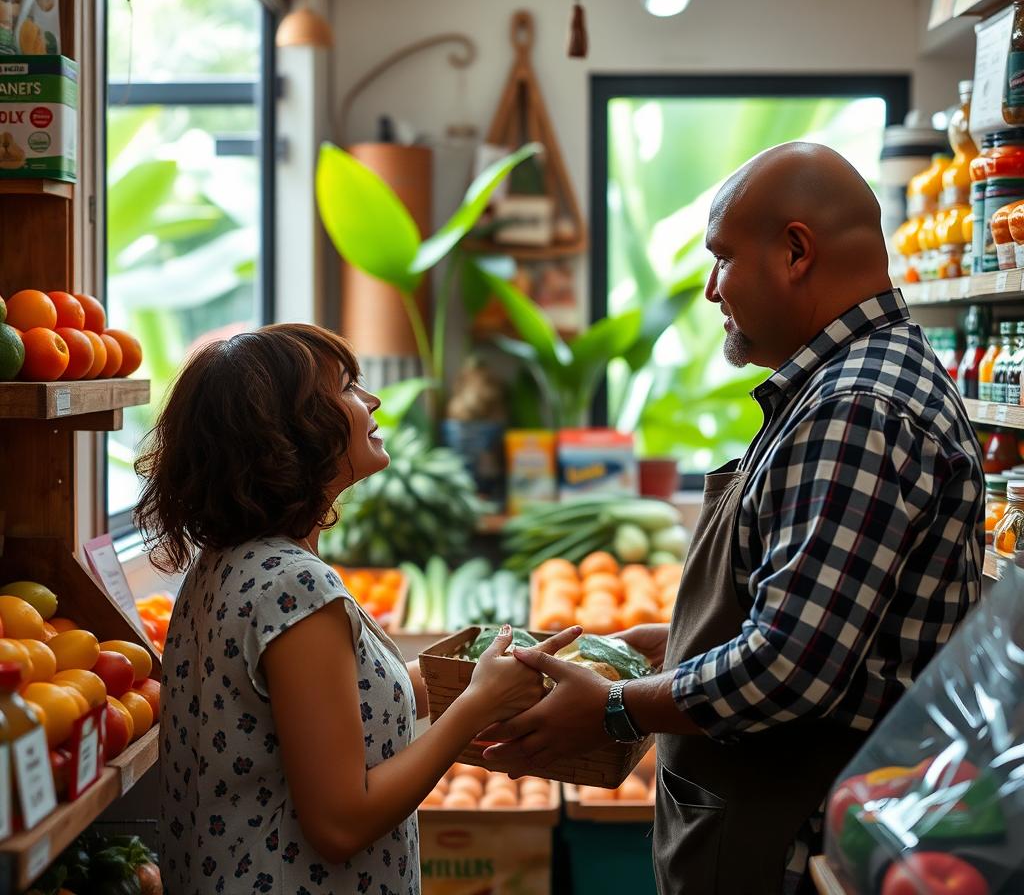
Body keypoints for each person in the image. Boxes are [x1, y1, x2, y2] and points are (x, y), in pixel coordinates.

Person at [482, 143, 985, 894]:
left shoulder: (856, 409)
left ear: (794, 251)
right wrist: (656, 646)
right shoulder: (846, 384)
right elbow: (808, 619)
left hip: (793, 835)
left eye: (722, 259)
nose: (712, 290)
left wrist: (616, 707)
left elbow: (789, 668)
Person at [137, 323, 577, 895]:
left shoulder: (229, 563)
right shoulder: (294, 588)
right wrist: (475, 707)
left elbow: (338, 705)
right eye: (346, 388)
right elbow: (341, 825)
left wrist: (475, 681)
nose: (371, 401)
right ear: (288, 433)